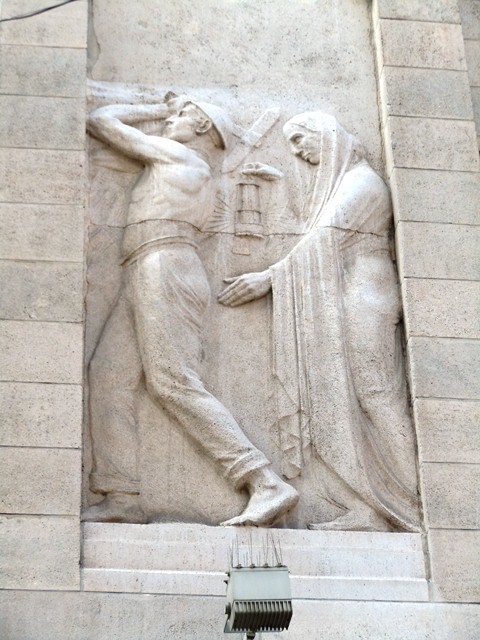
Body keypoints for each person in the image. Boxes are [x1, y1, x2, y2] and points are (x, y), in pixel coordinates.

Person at [83, 98, 298, 525]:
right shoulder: (197, 167)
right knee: (108, 377)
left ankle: (263, 481)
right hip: (146, 265)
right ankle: (122, 494)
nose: (171, 120)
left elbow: (100, 119)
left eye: (180, 114)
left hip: (165, 265)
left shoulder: (179, 155)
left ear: (201, 126)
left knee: (173, 382)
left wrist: (150, 106)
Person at [218, 111, 420, 532]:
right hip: (349, 295)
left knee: (375, 396)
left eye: (300, 139)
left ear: (326, 136)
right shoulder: (344, 183)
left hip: (365, 298)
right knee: (354, 400)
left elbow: (323, 239)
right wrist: (278, 184)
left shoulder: (363, 183)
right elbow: (311, 229)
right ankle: (369, 506)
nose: (298, 151)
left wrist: (267, 278)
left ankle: (411, 502)